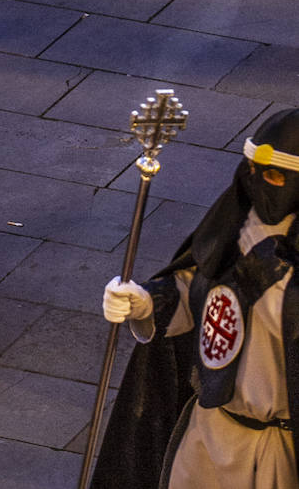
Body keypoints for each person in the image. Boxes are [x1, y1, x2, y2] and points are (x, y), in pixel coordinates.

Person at [93, 108, 299, 489]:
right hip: (207, 429)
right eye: (252, 171)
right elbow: (197, 289)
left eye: (272, 176)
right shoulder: (236, 223)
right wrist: (147, 302)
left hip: (276, 450)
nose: (257, 186)